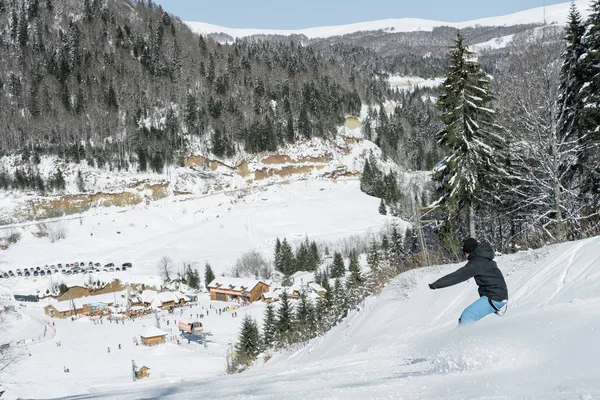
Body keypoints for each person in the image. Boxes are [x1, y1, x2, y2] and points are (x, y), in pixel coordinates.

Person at [428, 238, 508, 325]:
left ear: (468, 252)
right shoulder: (483, 258)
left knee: (467, 316)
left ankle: (466, 337)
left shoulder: (476, 263)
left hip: (494, 297)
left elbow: (457, 276)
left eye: (465, 253)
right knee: (468, 316)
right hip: (497, 295)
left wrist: (436, 284)